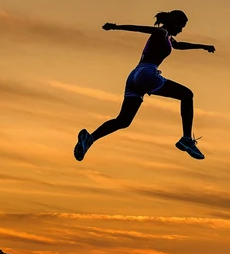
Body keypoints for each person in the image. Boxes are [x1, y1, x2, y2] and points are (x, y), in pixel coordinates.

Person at [74, 10, 215, 161]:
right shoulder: (162, 32)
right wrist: (116, 27)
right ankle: (186, 138)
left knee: (123, 120)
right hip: (147, 73)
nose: (182, 30)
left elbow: (179, 45)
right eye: (181, 25)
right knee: (187, 95)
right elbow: (141, 28)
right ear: (175, 22)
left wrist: (203, 46)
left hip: (134, 76)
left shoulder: (168, 37)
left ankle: (90, 139)